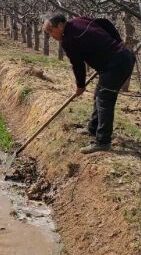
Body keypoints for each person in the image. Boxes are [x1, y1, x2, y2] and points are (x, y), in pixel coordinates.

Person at [43, 13, 135, 154]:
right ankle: (92, 128)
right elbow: (105, 22)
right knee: (98, 94)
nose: (50, 35)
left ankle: (103, 142)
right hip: (119, 59)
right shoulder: (79, 21)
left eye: (50, 30)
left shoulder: (68, 39)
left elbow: (77, 64)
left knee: (104, 100)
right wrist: (118, 41)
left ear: (60, 26)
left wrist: (80, 85)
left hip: (116, 64)